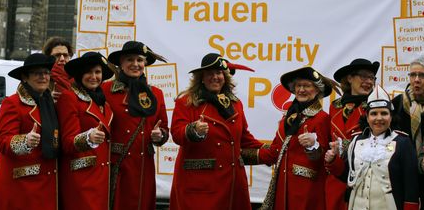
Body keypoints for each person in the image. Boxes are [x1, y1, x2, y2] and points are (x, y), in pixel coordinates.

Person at [169, 53, 265, 210]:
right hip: (201, 183)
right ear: (201, 77)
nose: (215, 77)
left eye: (219, 73)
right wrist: (194, 130)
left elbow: (244, 138)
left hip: (232, 181)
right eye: (210, 73)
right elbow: (177, 134)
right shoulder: (186, 102)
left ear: (225, 76)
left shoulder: (235, 103)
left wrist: (271, 151)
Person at [243, 66, 332, 210]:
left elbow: (325, 158)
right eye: (298, 85)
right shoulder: (289, 118)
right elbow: (274, 152)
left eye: (307, 86)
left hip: (307, 193)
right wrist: (237, 155)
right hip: (283, 190)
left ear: (317, 90)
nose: (301, 89)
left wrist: (313, 145)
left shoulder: (322, 119)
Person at [326, 85, 419, 210]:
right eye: (374, 114)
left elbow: (411, 185)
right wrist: (333, 161)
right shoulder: (356, 141)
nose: (379, 118)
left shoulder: (403, 143)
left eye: (384, 113)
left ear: (391, 117)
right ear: (367, 117)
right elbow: (348, 175)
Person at [101, 41, 169, 210]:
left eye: (139, 60)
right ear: (121, 64)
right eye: (130, 59)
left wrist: (160, 135)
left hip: (143, 165)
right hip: (115, 165)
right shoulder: (105, 90)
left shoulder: (156, 94)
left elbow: (164, 130)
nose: (135, 64)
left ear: (145, 63)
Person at [0, 53, 59, 209]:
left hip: (45, 182)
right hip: (20, 186)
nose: (43, 77)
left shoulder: (50, 103)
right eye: (37, 73)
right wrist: (25, 141)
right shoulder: (12, 103)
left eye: (46, 73)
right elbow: (2, 142)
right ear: (25, 77)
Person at [56, 52, 114, 210]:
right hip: (80, 178)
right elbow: (68, 142)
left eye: (97, 72)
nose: (93, 76)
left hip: (101, 177)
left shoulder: (104, 102)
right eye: (88, 72)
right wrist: (88, 137)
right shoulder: (69, 97)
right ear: (80, 74)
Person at [325, 58, 379, 210]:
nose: (368, 81)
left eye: (371, 78)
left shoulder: (376, 107)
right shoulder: (335, 106)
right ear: (349, 78)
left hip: (363, 179)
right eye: (364, 76)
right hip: (335, 180)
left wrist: (344, 146)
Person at [392, 56, 424, 209]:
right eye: (413, 75)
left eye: (422, 75)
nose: (416, 80)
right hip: (403, 174)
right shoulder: (397, 103)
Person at [42, 36, 74, 101]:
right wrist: (48, 98)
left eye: (65, 55)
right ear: (47, 57)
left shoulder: (78, 79)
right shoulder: (39, 78)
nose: (62, 59)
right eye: (57, 55)